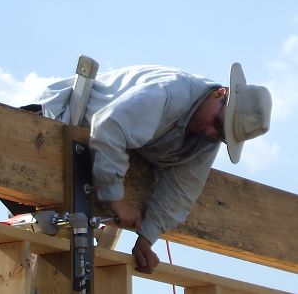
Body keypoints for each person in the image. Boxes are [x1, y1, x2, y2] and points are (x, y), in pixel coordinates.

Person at [33, 62, 273, 273]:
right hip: (50, 129)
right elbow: (109, 128)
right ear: (221, 94)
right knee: (39, 241)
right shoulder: (169, 93)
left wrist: (146, 239)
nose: (212, 132)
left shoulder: (208, 139)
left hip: (93, 161)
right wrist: (116, 200)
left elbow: (182, 190)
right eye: (217, 124)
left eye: (222, 135)